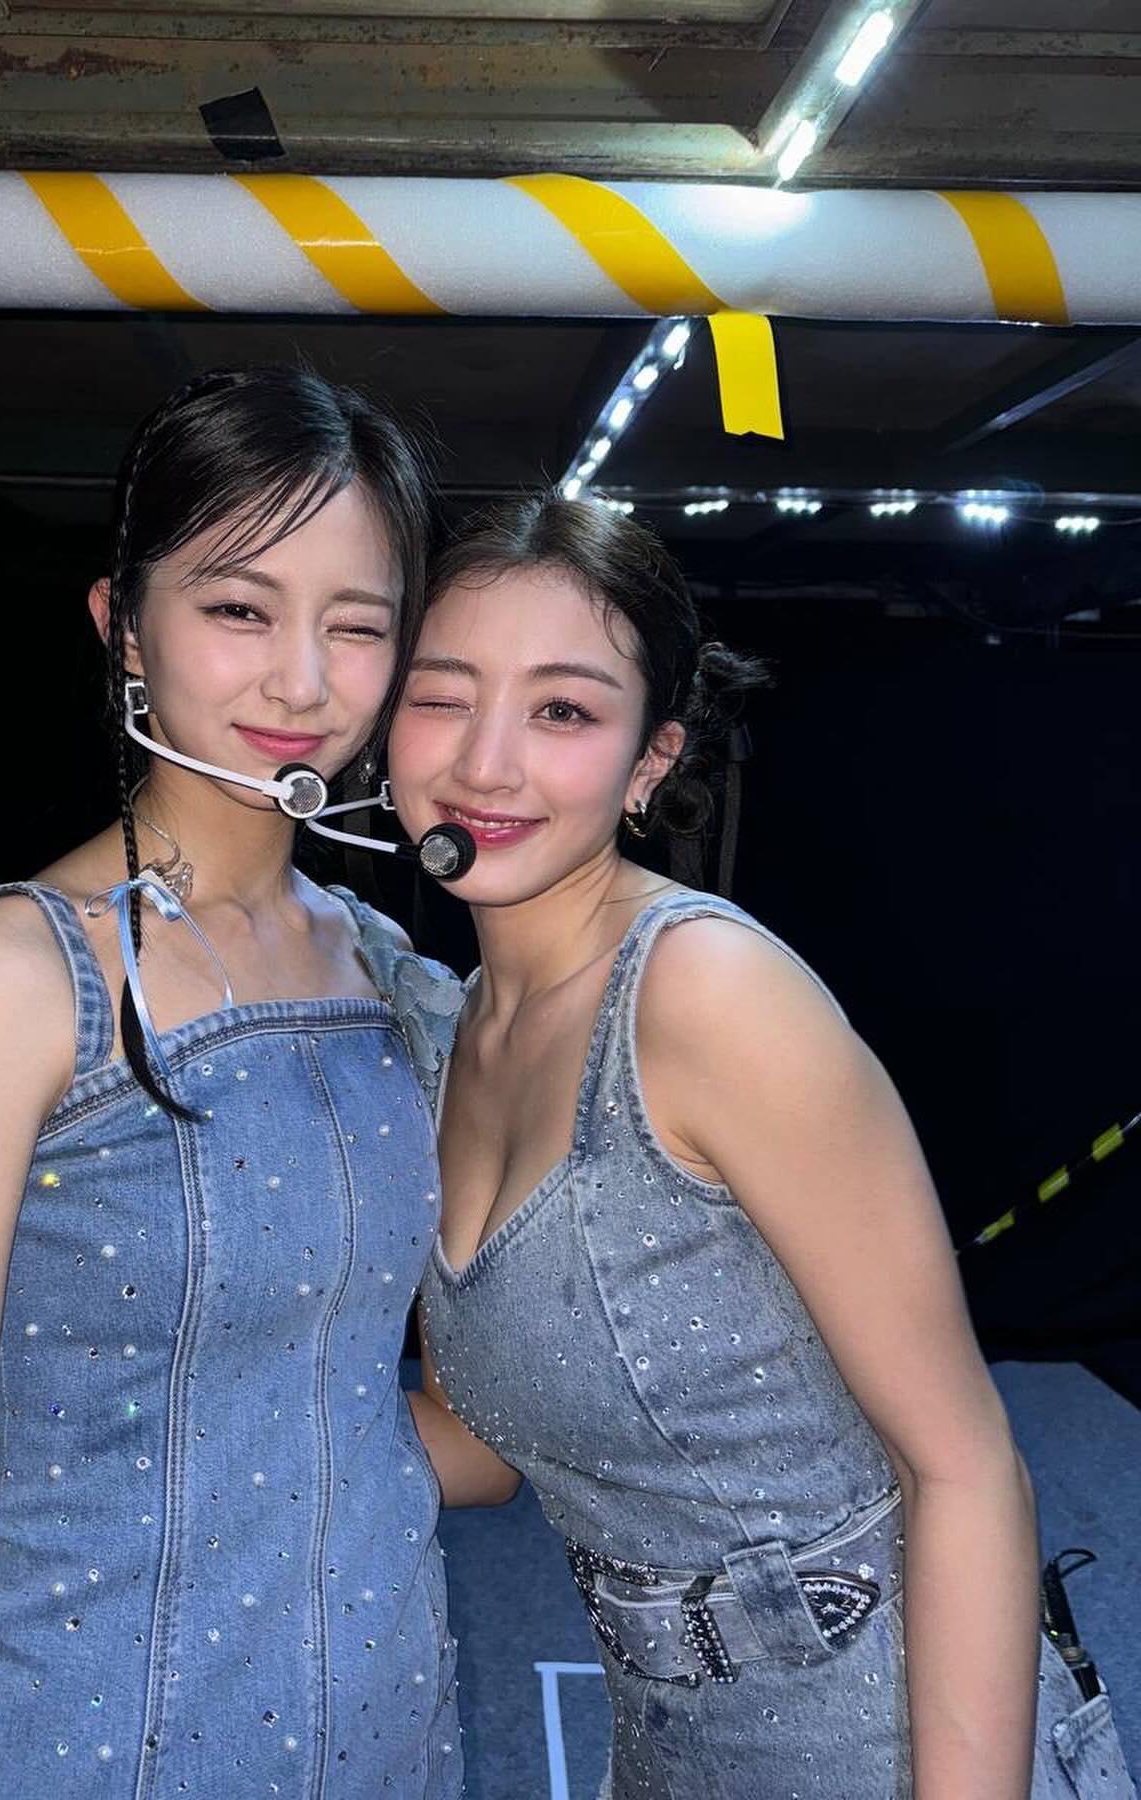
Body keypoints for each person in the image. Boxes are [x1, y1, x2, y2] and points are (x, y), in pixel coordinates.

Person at [389, 492, 1136, 1799]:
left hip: (893, 1739)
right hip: (671, 1753)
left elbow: (966, 1469)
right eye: (443, 697)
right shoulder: (449, 1039)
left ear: (651, 760)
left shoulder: (705, 997)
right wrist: (181, 1443)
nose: (487, 763)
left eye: (562, 711)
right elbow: (485, 1442)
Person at [0, 367, 467, 1799]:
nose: (303, 681)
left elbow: (394, 1408)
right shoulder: (5, 985)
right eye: (239, 609)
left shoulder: (388, 970)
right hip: (86, 1743)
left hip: (390, 1730)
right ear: (123, 627)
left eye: (358, 625)